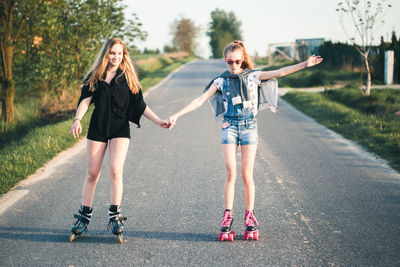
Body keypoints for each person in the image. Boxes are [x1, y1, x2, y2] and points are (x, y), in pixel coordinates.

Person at [167, 40, 323, 241]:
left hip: (249, 127)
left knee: (246, 174)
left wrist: (304, 64)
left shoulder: (253, 76)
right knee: (231, 173)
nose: (233, 65)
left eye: (237, 61)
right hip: (229, 128)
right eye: (230, 62)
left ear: (243, 60)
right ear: (226, 60)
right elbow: (199, 100)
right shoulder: (220, 81)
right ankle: (227, 216)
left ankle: (249, 216)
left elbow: (280, 72)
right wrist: (177, 115)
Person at [69, 38, 169, 243]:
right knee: (92, 173)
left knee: (115, 170)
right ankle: (84, 216)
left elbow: (140, 105)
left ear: (124, 55)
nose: (116, 57)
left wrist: (158, 121)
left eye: (119, 53)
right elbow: (85, 100)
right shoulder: (95, 76)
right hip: (98, 127)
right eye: (112, 53)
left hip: (119, 128)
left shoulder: (129, 77)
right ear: (106, 54)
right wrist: (77, 119)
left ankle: (115, 215)